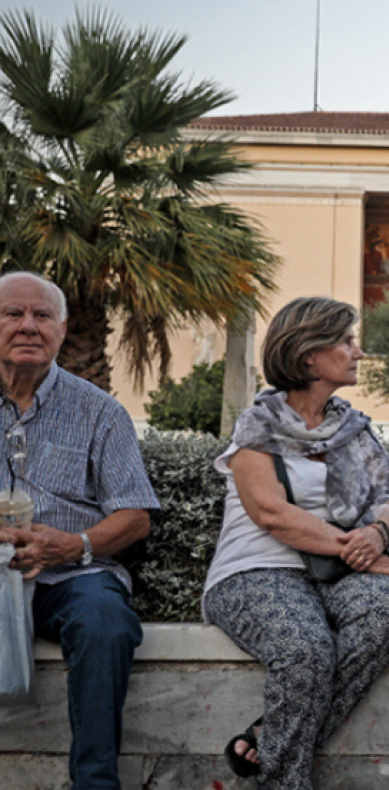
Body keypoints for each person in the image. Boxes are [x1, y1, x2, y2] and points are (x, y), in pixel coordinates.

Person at [202, 297, 389, 789]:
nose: (358, 352)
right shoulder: (257, 427)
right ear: (308, 357)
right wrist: (360, 549)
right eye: (346, 341)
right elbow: (272, 514)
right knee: (304, 648)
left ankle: (266, 736)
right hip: (256, 570)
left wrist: (378, 534)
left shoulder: (354, 429)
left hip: (334, 573)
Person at [0, 272, 160, 790]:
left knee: (104, 620)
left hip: (69, 574)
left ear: (62, 329)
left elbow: (135, 515)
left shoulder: (100, 411)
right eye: (12, 314)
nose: (28, 326)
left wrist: (75, 545)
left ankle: (94, 783)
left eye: (42, 315)